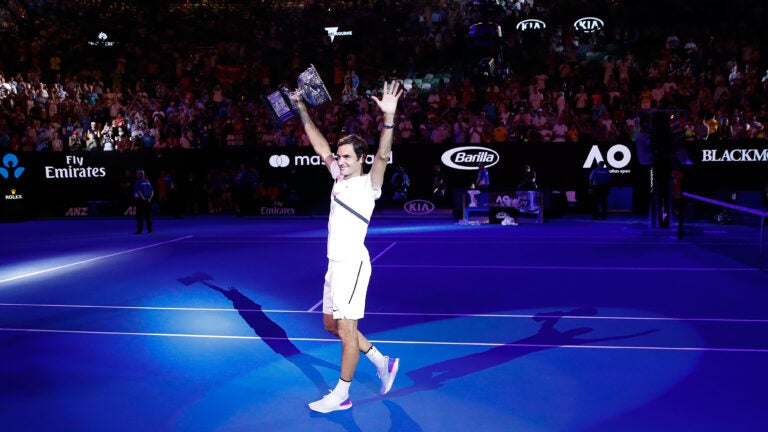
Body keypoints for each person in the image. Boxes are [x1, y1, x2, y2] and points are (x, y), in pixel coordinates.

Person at [293, 80, 402, 414]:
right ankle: (382, 361)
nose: (338, 160)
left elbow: (383, 154)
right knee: (330, 325)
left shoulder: (369, 184)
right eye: (338, 156)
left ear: (360, 159)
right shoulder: (338, 177)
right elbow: (319, 145)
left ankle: (342, 394)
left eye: (345, 157)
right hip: (333, 264)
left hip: (352, 265)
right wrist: (301, 109)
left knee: (347, 329)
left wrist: (388, 119)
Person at [133, 169, 154, 233]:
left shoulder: (138, 182)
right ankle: (150, 230)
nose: (136, 175)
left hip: (141, 201)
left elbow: (138, 191)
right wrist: (150, 198)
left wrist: (143, 198)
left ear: (140, 175)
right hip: (148, 200)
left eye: (137, 174)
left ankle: (140, 230)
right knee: (148, 215)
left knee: (139, 215)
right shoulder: (148, 182)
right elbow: (152, 191)